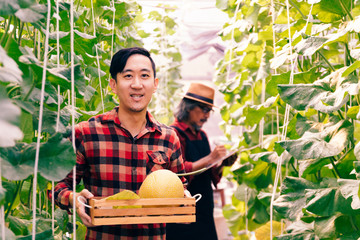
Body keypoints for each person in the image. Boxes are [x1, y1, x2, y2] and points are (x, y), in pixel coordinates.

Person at [51, 47, 187, 240]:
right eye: (128, 76)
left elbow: (180, 187)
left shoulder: (168, 138)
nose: (137, 84)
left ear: (155, 84)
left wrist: (184, 197)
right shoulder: (86, 133)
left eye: (145, 76)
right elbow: (57, 186)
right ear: (113, 85)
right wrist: (74, 198)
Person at [166, 82, 227, 240]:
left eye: (209, 111)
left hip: (204, 206)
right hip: (183, 208)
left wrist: (222, 164)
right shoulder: (174, 133)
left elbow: (210, 174)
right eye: (204, 109)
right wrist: (211, 158)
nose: (206, 115)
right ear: (188, 107)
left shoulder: (202, 135)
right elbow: (178, 172)